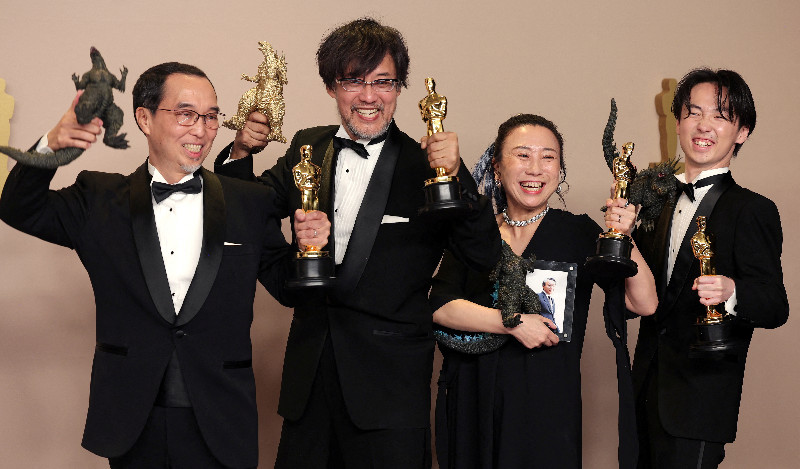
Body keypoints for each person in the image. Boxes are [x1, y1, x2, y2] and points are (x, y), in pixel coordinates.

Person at [0, 62, 325, 469]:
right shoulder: (98, 198)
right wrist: (50, 146)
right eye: (186, 115)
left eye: (210, 117)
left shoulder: (249, 201)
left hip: (222, 418)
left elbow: (287, 286)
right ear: (145, 118)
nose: (201, 130)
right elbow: (18, 207)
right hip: (131, 420)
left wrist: (310, 249)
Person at [214, 17, 500, 468]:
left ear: (399, 88)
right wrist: (241, 154)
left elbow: (483, 256)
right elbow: (246, 212)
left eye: (383, 82)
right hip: (309, 382)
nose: (369, 96)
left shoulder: (423, 163)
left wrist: (456, 174)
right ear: (332, 87)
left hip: (390, 389)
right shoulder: (307, 147)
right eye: (353, 81)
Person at [430, 114, 657, 469]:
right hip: (473, 399)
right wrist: (512, 322)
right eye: (522, 155)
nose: (535, 168)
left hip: (546, 408)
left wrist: (625, 237)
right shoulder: (475, 233)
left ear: (559, 169)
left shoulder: (578, 233)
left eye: (548, 157)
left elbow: (643, 302)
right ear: (497, 166)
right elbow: (441, 305)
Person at [631, 68, 789, 469]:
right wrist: (622, 239)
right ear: (678, 123)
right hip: (642, 391)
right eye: (693, 112)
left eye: (720, 116)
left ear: (742, 132)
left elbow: (775, 305)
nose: (704, 125)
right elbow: (642, 299)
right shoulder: (655, 202)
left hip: (700, 402)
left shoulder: (753, 209)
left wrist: (732, 291)